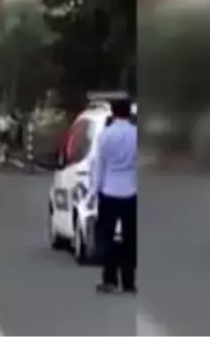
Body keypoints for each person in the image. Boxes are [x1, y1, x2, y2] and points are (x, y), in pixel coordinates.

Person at [89, 97, 137, 294]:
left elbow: (98, 166)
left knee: (107, 237)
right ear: (129, 113)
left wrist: (93, 192)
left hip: (109, 191)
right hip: (132, 192)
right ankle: (128, 281)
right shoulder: (136, 135)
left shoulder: (105, 136)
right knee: (131, 238)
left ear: (114, 113)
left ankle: (109, 279)